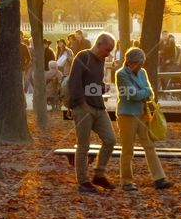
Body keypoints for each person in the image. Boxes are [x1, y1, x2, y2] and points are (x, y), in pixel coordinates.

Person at [116, 47, 172, 191]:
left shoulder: (142, 72)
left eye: (141, 64)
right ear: (130, 62)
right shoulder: (121, 74)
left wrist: (144, 92)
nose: (140, 67)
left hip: (142, 113)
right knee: (128, 149)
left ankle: (159, 178)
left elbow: (150, 92)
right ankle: (126, 181)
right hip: (127, 115)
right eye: (138, 64)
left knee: (149, 146)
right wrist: (144, 91)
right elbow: (132, 95)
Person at [68, 32, 118, 194]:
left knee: (110, 140)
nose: (109, 53)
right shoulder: (83, 57)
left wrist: (102, 87)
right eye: (107, 49)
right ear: (99, 44)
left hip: (98, 106)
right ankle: (83, 181)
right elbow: (74, 81)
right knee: (84, 145)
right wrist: (81, 103)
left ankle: (99, 175)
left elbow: (93, 83)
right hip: (83, 107)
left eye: (111, 50)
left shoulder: (101, 61)